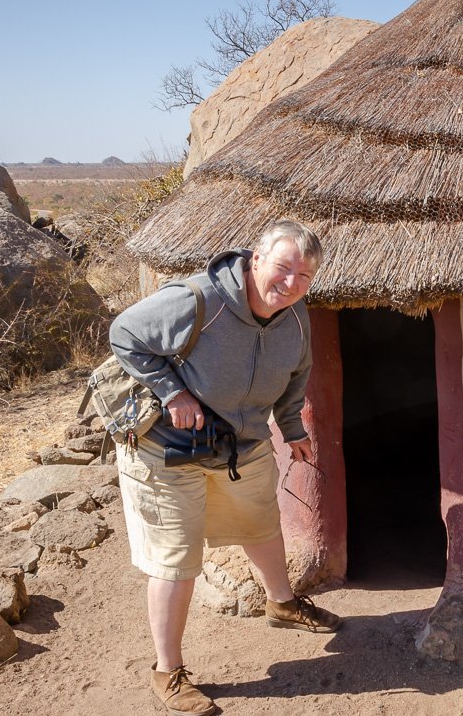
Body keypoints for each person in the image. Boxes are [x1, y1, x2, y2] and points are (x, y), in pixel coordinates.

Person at [109, 219, 340, 716]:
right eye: (282, 268)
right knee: (177, 560)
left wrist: (292, 430)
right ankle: (167, 671)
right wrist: (173, 392)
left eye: (303, 276)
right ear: (256, 259)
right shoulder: (199, 300)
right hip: (166, 449)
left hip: (241, 443)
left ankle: (281, 603)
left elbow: (296, 376)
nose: (290, 284)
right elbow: (123, 332)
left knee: (260, 525)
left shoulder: (296, 318)